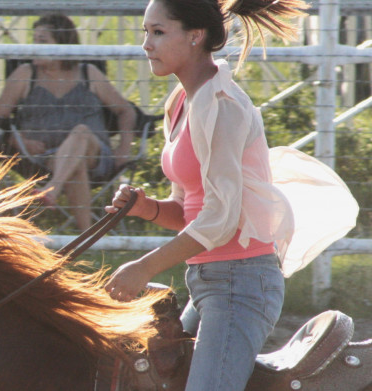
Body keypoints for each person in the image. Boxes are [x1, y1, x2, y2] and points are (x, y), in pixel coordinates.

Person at [102, 1, 308, 390]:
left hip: (240, 284)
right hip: (210, 281)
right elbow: (188, 212)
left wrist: (144, 268)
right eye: (146, 32)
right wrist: (147, 208)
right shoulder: (181, 103)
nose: (146, 44)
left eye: (158, 32)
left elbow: (221, 218)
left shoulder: (222, 106)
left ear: (195, 36)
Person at [0, 13, 138, 231]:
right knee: (75, 166)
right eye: (34, 40)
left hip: (97, 157)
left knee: (81, 133)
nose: (34, 47)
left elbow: (126, 111)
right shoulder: (25, 74)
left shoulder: (88, 73)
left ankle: (52, 190)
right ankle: (87, 238)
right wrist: (20, 143)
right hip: (42, 160)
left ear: (63, 44)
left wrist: (124, 148)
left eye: (42, 41)